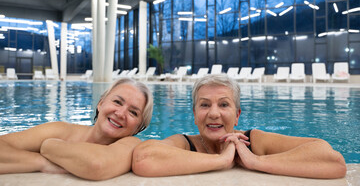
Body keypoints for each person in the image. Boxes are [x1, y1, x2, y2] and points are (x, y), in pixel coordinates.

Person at [132, 74, 346, 179]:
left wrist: (255, 160)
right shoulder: (186, 143)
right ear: (195, 115)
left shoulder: (254, 141)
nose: (214, 113)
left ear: (237, 116)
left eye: (224, 104)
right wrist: (221, 159)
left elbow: (333, 160)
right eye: (205, 105)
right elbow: (144, 158)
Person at [0, 77, 153, 180]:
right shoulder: (60, 130)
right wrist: (41, 163)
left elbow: (96, 165)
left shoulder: (131, 145)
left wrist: (48, 146)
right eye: (117, 102)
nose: (120, 113)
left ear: (138, 127)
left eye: (133, 112)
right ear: (100, 104)